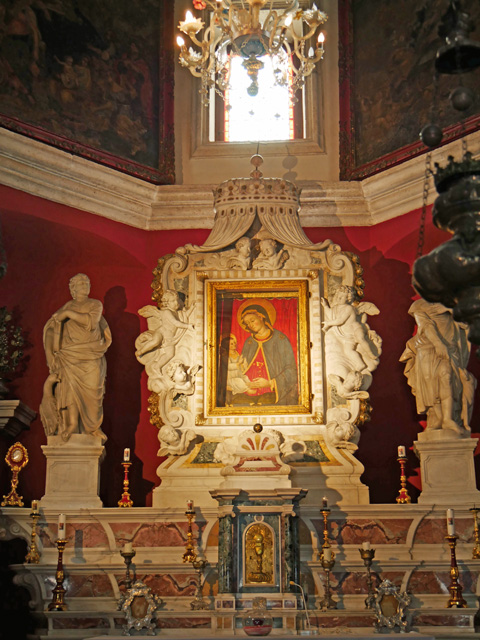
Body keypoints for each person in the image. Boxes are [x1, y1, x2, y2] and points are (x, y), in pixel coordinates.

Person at [39, 274, 111, 442]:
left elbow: (92, 323)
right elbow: (51, 329)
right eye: (80, 283)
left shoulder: (95, 304)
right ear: (72, 289)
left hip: (91, 354)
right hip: (69, 355)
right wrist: (51, 354)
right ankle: (71, 424)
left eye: (87, 282)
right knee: (69, 390)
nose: (85, 285)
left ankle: (93, 428)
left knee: (93, 390)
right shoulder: (66, 307)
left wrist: (69, 314)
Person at [400, 299, 476, 434]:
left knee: (447, 378)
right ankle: (436, 418)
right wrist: (438, 344)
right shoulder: (419, 306)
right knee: (432, 387)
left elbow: (466, 324)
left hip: (450, 350)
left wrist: (452, 311)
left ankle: (448, 419)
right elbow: (425, 325)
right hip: (428, 349)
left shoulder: (452, 304)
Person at [233, 300, 298, 406]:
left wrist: (270, 383)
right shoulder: (249, 342)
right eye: (247, 323)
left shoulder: (280, 339)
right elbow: (242, 369)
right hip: (248, 391)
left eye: (252, 320)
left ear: (261, 316)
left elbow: (291, 371)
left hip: (272, 392)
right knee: (236, 404)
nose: (250, 325)